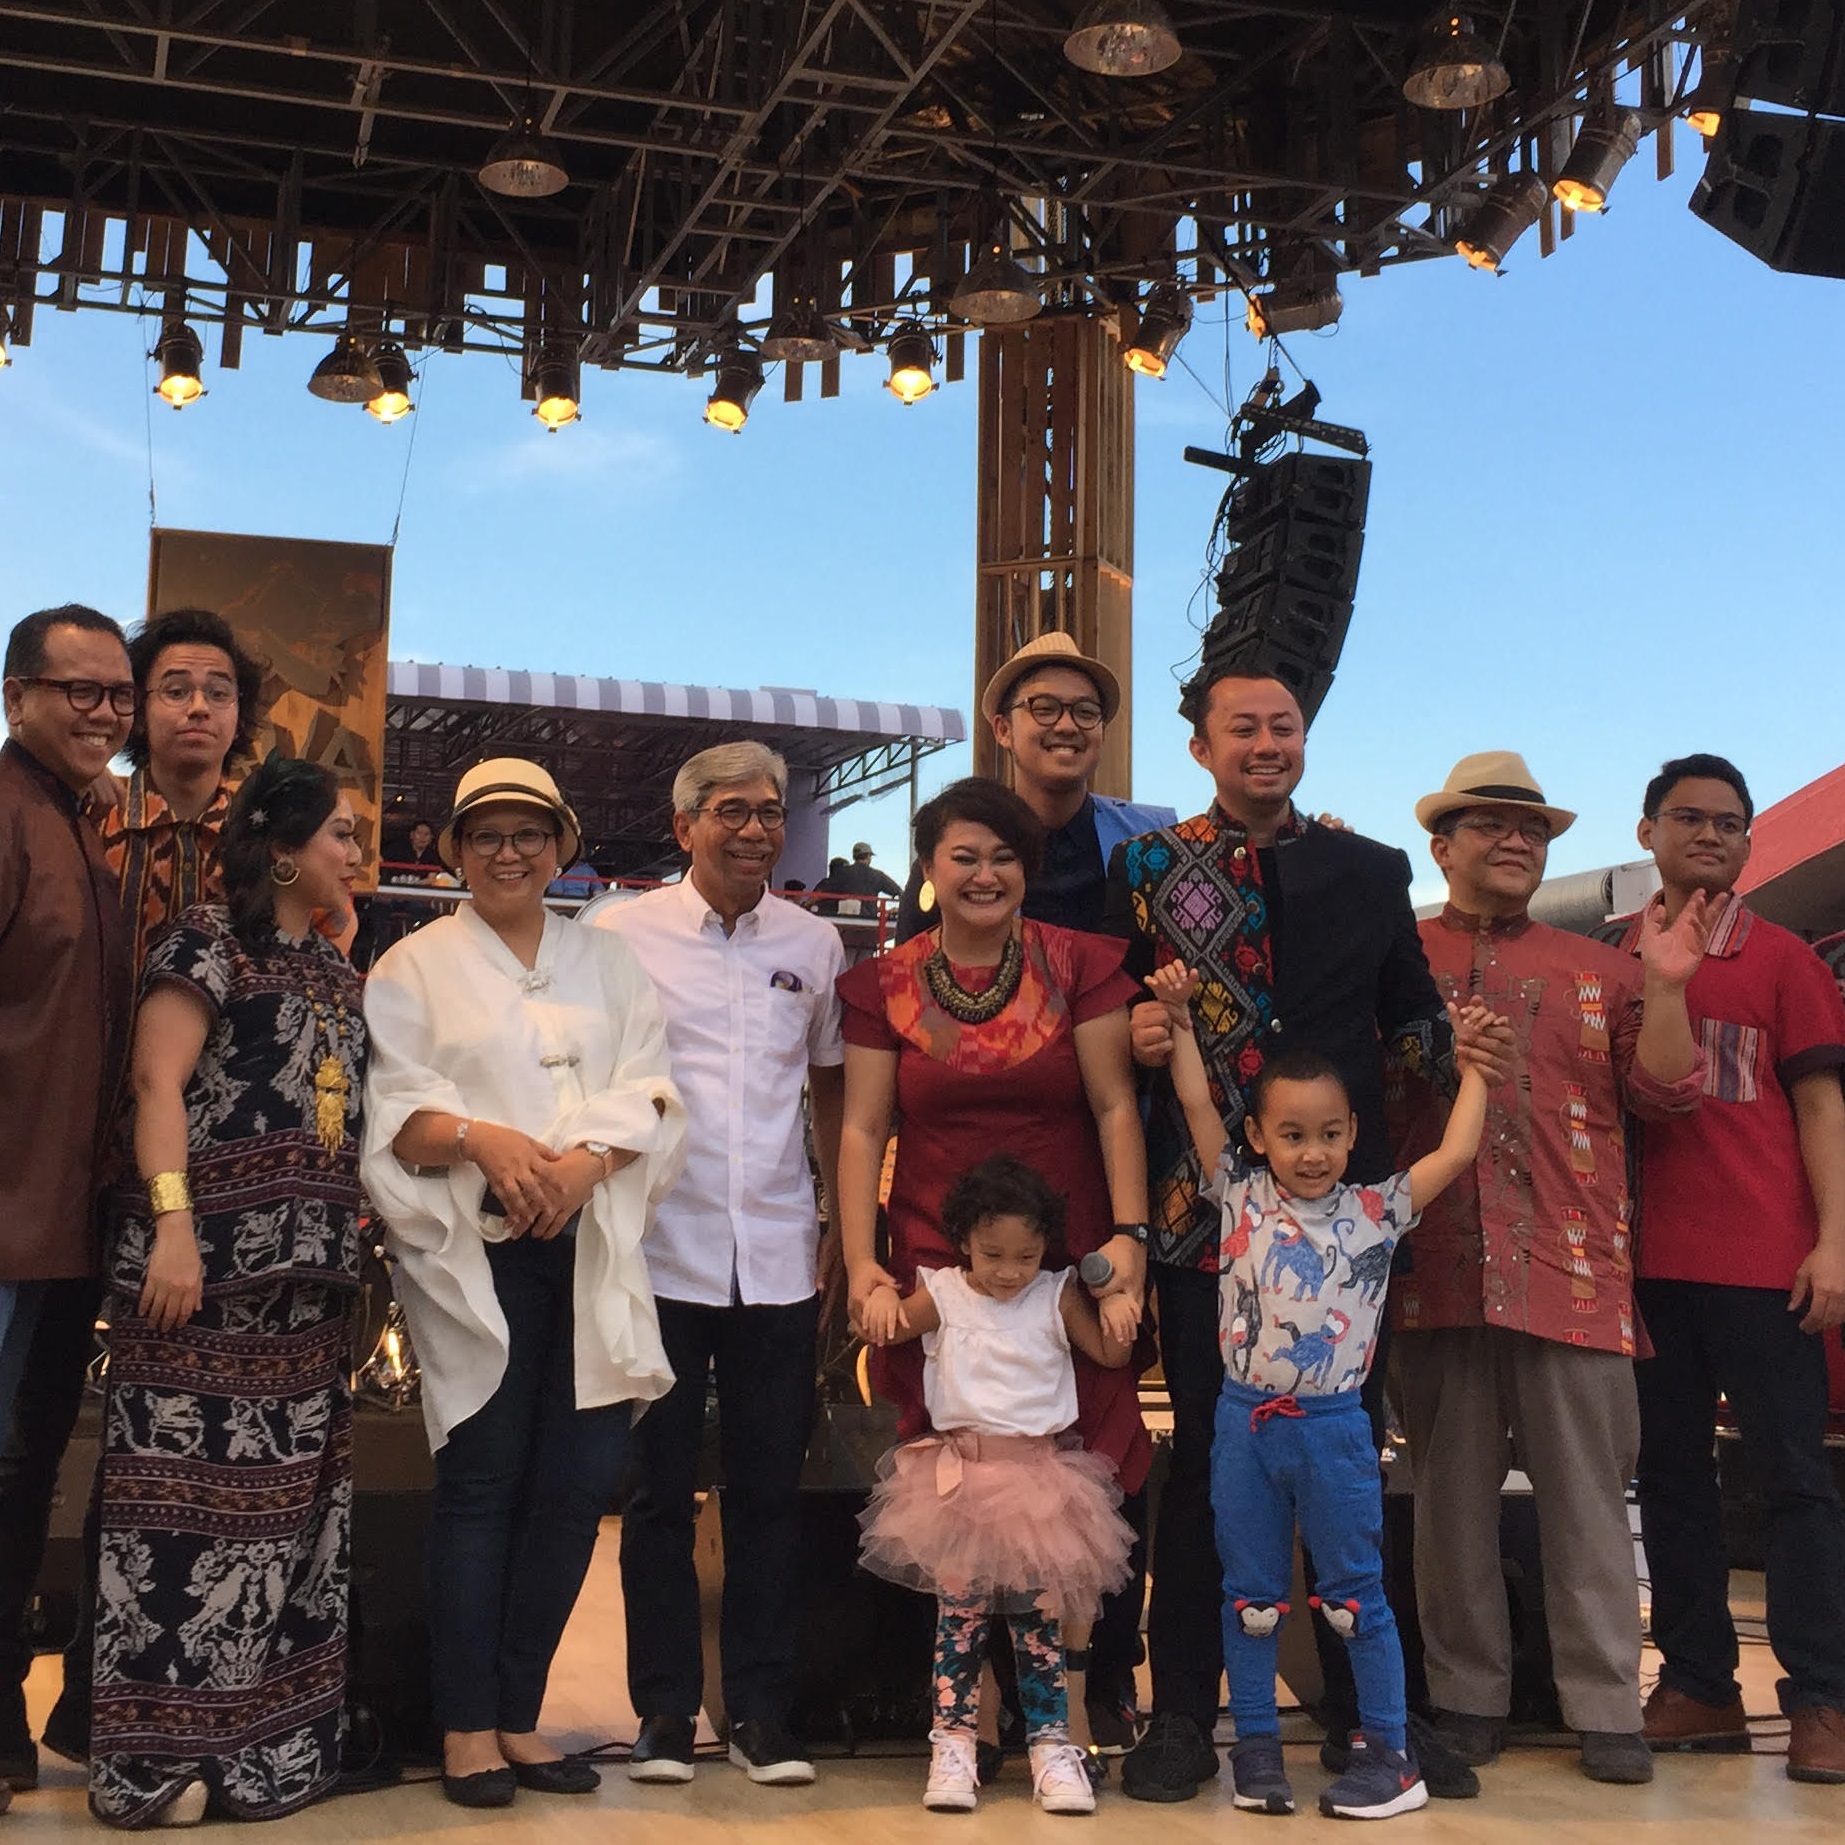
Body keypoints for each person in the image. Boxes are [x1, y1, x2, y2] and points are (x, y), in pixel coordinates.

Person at [1103, 668, 1467, 1804]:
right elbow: (1113, 1016)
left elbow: (1410, 1017)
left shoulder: (1370, 867)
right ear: (1201, 747)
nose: (1266, 744)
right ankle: (1182, 1714)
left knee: (1348, 1469)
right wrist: (1143, 1026)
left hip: (1339, 1229)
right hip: (1203, 1217)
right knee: (1207, 1472)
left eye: (1284, 726)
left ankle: (1374, 1721)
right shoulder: (1146, 867)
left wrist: (1467, 1058)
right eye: (1242, 728)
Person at [362, 758, 684, 1809]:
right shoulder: (412, 966)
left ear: (562, 845)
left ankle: (518, 1711)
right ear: (455, 850)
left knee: (576, 1488)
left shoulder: (609, 960)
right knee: (484, 1482)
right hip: (478, 1256)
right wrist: (487, 1142)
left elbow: (651, 1089)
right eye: (487, 835)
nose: (509, 852)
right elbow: (396, 1116)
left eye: (529, 833)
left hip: (591, 1248)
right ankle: (465, 1724)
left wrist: (583, 1166)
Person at [1387, 750, 1713, 1787]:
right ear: (1441, 846)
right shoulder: (1394, 960)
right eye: (1491, 824)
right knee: (1447, 1509)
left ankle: (1606, 1705)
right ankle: (1465, 1696)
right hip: (1432, 1268)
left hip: (1574, 1274)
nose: (1517, 841)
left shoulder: (1607, 971)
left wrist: (1667, 986)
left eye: (1531, 829)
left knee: (1589, 1506)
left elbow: (1668, 1095)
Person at [6, 605, 266, 1781]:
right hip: (70, 1181)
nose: (192, 708)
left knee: (166, 1463)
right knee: (32, 1444)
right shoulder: (87, 823)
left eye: (218, 689)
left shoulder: (275, 847)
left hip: (221, 1208)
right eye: (169, 687)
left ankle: (115, 1708)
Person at [837, 778, 1153, 1742]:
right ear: (929, 869)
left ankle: (1083, 1698)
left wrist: (1129, 1238)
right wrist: (862, 1264)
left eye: (1004, 856)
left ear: (1028, 869)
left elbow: (1113, 1105)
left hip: (1065, 1254)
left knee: (1083, 1459)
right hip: (939, 1255)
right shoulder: (884, 985)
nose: (984, 873)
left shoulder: (1078, 963)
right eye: (963, 856)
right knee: (953, 1470)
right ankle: (967, 1705)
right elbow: (861, 1129)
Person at [1149, 962, 1500, 1818]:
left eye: (1329, 1134)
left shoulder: (1376, 1210)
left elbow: (1455, 1151)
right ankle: (1256, 1750)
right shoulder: (1238, 1194)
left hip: (1335, 1429)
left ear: (1351, 1135)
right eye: (1292, 1134)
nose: (1312, 1152)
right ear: (1259, 1136)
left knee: (1353, 1595)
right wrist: (1181, 1021)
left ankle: (1390, 1753)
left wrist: (1476, 1069)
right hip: (1244, 1428)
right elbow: (1195, 1101)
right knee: (1251, 1596)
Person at [87, 755, 366, 1827]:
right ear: (285, 849)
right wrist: (172, 1224)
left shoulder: (336, 970)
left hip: (306, 1297)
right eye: (341, 833)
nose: (357, 851)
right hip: (196, 1281)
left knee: (282, 1535)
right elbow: (155, 1081)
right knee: (173, 1530)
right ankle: (155, 1760)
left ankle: (258, 1751)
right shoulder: (205, 942)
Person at [588, 741, 844, 1788]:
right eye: (730, 810)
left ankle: (761, 1714)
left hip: (776, 1254)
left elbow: (830, 1086)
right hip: (656, 1250)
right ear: (684, 824)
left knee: (768, 1491)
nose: (753, 829)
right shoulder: (617, 933)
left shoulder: (815, 943)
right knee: (656, 1494)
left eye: (769, 811)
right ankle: (662, 1711)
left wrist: (840, 1223)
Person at [1591, 754, 1845, 1781]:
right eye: (1688, 818)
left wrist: (1834, 1238)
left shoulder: (1785, 960)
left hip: (1765, 1264)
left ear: (1746, 843)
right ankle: (1698, 1685)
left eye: (1729, 823)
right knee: (1669, 1481)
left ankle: (1823, 1697)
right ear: (1646, 831)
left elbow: (1822, 1105)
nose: (1710, 835)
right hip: (1643, 1269)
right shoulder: (1613, 959)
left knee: (1795, 1483)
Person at [857, 1154, 1136, 1816]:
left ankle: (1050, 1746)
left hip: (1039, 1485)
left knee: (1038, 1627)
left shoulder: (1054, 1293)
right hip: (959, 1486)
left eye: (1026, 1256)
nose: (1010, 1271)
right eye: (992, 1255)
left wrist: (1117, 1305)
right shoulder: (944, 1293)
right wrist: (876, 1296)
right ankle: (952, 1743)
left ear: (1045, 1249)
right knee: (958, 1623)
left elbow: (1109, 1353)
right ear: (962, 1242)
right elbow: (886, 1326)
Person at [0, 605, 135, 1814]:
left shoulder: (88, 827)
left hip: (63, 1221)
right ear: (16, 696)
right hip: (7, 1218)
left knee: (26, 1472)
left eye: (116, 694)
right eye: (76, 690)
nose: (103, 712)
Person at [897, 631, 1175, 941]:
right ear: (1003, 730)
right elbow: (910, 963)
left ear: (1103, 733)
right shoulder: (953, 851)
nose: (1067, 726)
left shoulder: (1154, 840)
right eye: (1044, 708)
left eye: (1086, 712)